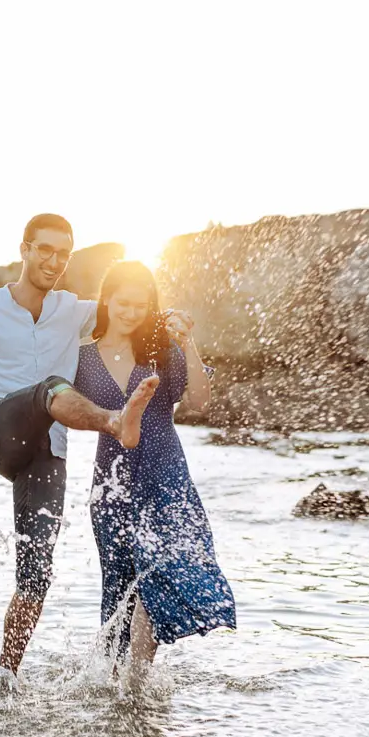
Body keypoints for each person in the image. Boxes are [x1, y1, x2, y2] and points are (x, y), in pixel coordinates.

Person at [0, 215, 159, 689]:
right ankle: (115, 423)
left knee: (37, 574)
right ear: (25, 249)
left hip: (46, 450)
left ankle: (4, 679)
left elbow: (127, 309)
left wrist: (172, 322)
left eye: (63, 254)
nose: (54, 261)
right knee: (50, 387)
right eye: (45, 250)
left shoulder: (74, 312)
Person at [73, 261, 236, 683]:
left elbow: (201, 400)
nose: (131, 312)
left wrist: (189, 343)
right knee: (119, 579)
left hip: (166, 471)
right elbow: (50, 398)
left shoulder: (162, 350)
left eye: (140, 305)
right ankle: (106, 677)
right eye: (123, 303)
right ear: (107, 299)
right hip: (111, 478)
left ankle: (138, 680)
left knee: (159, 569)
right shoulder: (82, 358)